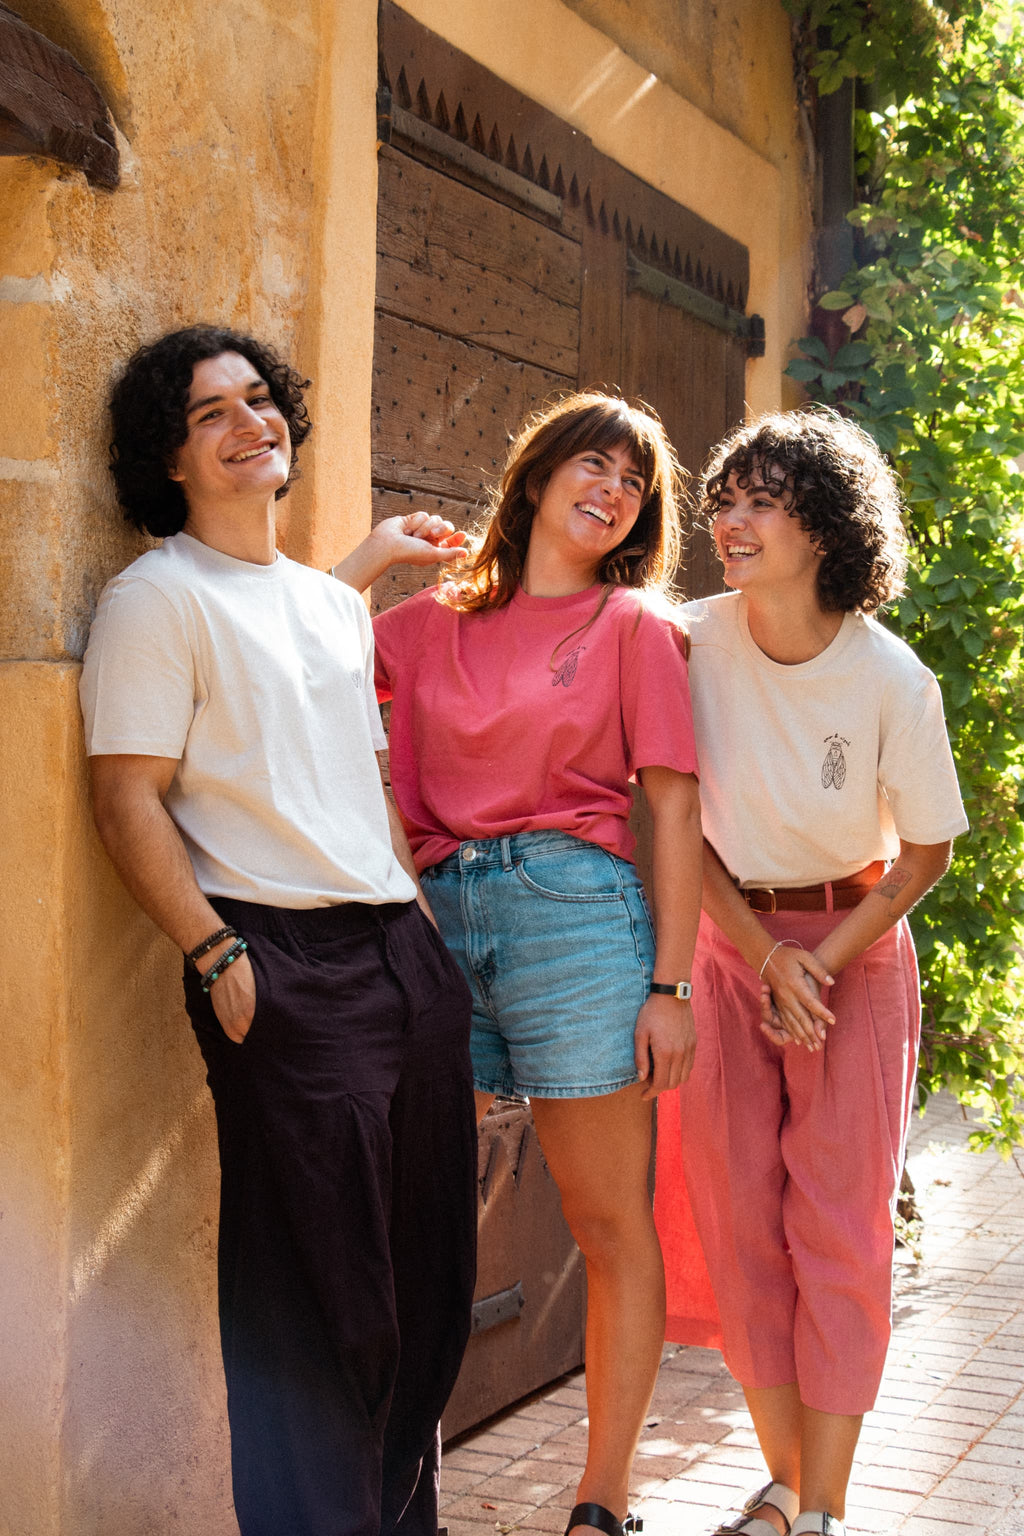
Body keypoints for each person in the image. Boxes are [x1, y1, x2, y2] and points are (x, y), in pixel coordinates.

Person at [79, 324, 478, 1536]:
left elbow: (360, 783)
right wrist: (213, 949)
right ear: (170, 456)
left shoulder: (328, 603)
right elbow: (125, 796)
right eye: (212, 414)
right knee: (316, 1305)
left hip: (400, 959)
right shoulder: (153, 600)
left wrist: (421, 931)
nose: (251, 422)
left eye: (260, 400)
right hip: (276, 962)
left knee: (429, 1287)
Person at [333, 392, 703, 1536]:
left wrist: (669, 986)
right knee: (424, 1220)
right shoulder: (429, 623)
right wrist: (368, 556)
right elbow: (295, 646)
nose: (612, 491)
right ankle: (393, 1487)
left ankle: (601, 1496)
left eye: (634, 481)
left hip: (576, 919)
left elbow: (674, 811)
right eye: (593, 464)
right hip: (434, 921)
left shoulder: (633, 627)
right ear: (536, 477)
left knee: (604, 1223)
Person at [656, 409, 968, 1536]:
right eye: (723, 501)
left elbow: (925, 848)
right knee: (739, 1222)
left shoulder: (890, 676)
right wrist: (762, 958)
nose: (728, 524)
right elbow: (674, 821)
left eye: (760, 503)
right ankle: (786, 1488)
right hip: (733, 948)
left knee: (836, 1230)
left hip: (854, 957)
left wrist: (817, 965)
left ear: (825, 529)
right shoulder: (684, 642)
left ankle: (821, 1508)